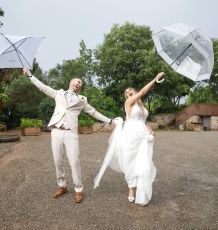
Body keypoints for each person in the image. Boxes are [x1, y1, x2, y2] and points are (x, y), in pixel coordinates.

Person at [23, 68, 113, 203]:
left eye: (81, 84)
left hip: (71, 132)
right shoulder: (58, 94)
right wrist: (30, 75)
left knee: (74, 161)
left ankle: (78, 190)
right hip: (56, 131)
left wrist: (110, 121)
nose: (79, 84)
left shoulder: (82, 100)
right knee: (58, 160)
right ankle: (62, 186)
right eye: (78, 81)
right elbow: (43, 87)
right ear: (71, 82)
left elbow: (94, 112)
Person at [94, 72, 165, 206]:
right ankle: (132, 189)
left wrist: (151, 131)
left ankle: (141, 189)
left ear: (135, 92)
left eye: (131, 91)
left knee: (143, 162)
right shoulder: (129, 103)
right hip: (131, 135)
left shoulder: (142, 107)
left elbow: (143, 121)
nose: (129, 93)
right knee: (130, 162)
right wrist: (155, 79)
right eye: (127, 93)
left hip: (143, 136)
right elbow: (144, 91)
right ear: (127, 97)